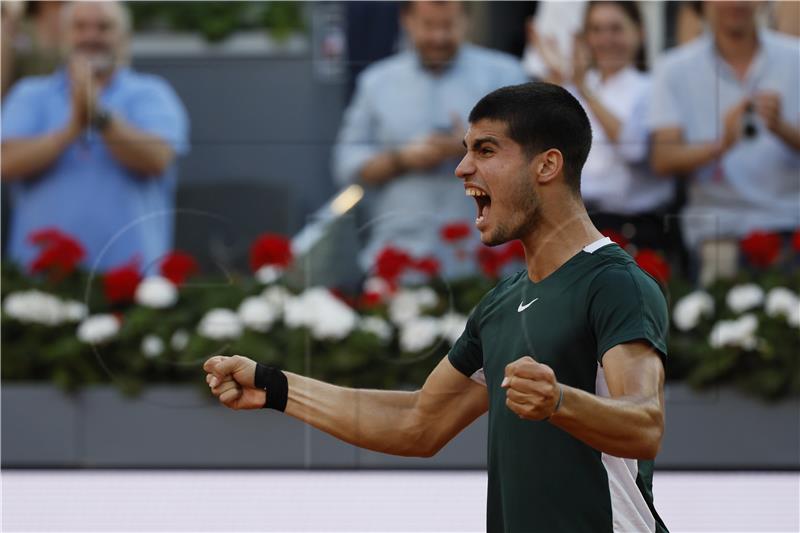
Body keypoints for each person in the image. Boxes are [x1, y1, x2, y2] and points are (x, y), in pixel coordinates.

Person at [205, 82, 670, 533]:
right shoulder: (501, 305)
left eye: (486, 150)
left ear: (546, 165)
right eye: (466, 150)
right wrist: (275, 387)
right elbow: (416, 423)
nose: (462, 168)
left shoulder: (616, 284)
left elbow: (645, 424)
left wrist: (560, 402)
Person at [332, 0, 527, 279]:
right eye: (428, 26)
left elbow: (530, 159)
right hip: (401, 255)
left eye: (448, 26)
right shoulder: (376, 82)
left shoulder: (506, 76)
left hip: (486, 259)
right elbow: (345, 165)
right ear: (406, 20)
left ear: (466, 21)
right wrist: (402, 159)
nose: (438, 37)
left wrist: (473, 147)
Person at [1, 1, 189, 273]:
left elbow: (157, 158)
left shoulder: (152, 94)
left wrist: (99, 117)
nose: (91, 36)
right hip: (38, 286)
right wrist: (72, 129)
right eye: (80, 27)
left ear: (124, 38)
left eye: (104, 27)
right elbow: (5, 163)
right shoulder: (29, 94)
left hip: (130, 283)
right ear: (63, 36)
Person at [648, 1, 800, 283]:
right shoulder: (674, 68)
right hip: (716, 235)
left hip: (790, 227)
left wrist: (782, 128)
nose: (735, 3)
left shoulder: (795, 58)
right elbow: (661, 158)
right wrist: (722, 144)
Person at [569, 1, 675, 253]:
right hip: (581, 223)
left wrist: (587, 94)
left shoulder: (651, 87)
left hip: (636, 226)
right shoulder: (574, 87)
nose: (606, 40)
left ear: (639, 32)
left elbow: (634, 150)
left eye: (615, 29)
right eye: (596, 30)